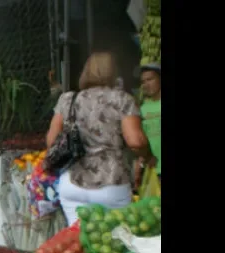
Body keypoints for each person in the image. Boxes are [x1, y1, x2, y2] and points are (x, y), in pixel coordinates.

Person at [46, 52, 155, 225]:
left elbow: (51, 141)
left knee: (77, 244)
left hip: (72, 183)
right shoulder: (122, 100)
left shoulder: (68, 99)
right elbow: (136, 141)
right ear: (113, 73)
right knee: (116, 242)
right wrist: (148, 156)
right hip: (111, 183)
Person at [137, 63, 161, 185]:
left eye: (150, 79)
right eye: (143, 81)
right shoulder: (143, 109)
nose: (146, 84)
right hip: (151, 171)